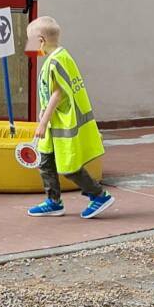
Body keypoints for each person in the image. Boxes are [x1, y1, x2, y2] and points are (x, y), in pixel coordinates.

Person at [24, 16, 113, 219]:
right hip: (53, 124)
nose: (27, 45)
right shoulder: (54, 59)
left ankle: (99, 195)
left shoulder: (58, 60)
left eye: (29, 40)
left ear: (40, 40)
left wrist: (43, 120)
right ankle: (53, 201)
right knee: (45, 162)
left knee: (69, 167)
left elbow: (59, 93)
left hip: (62, 125)